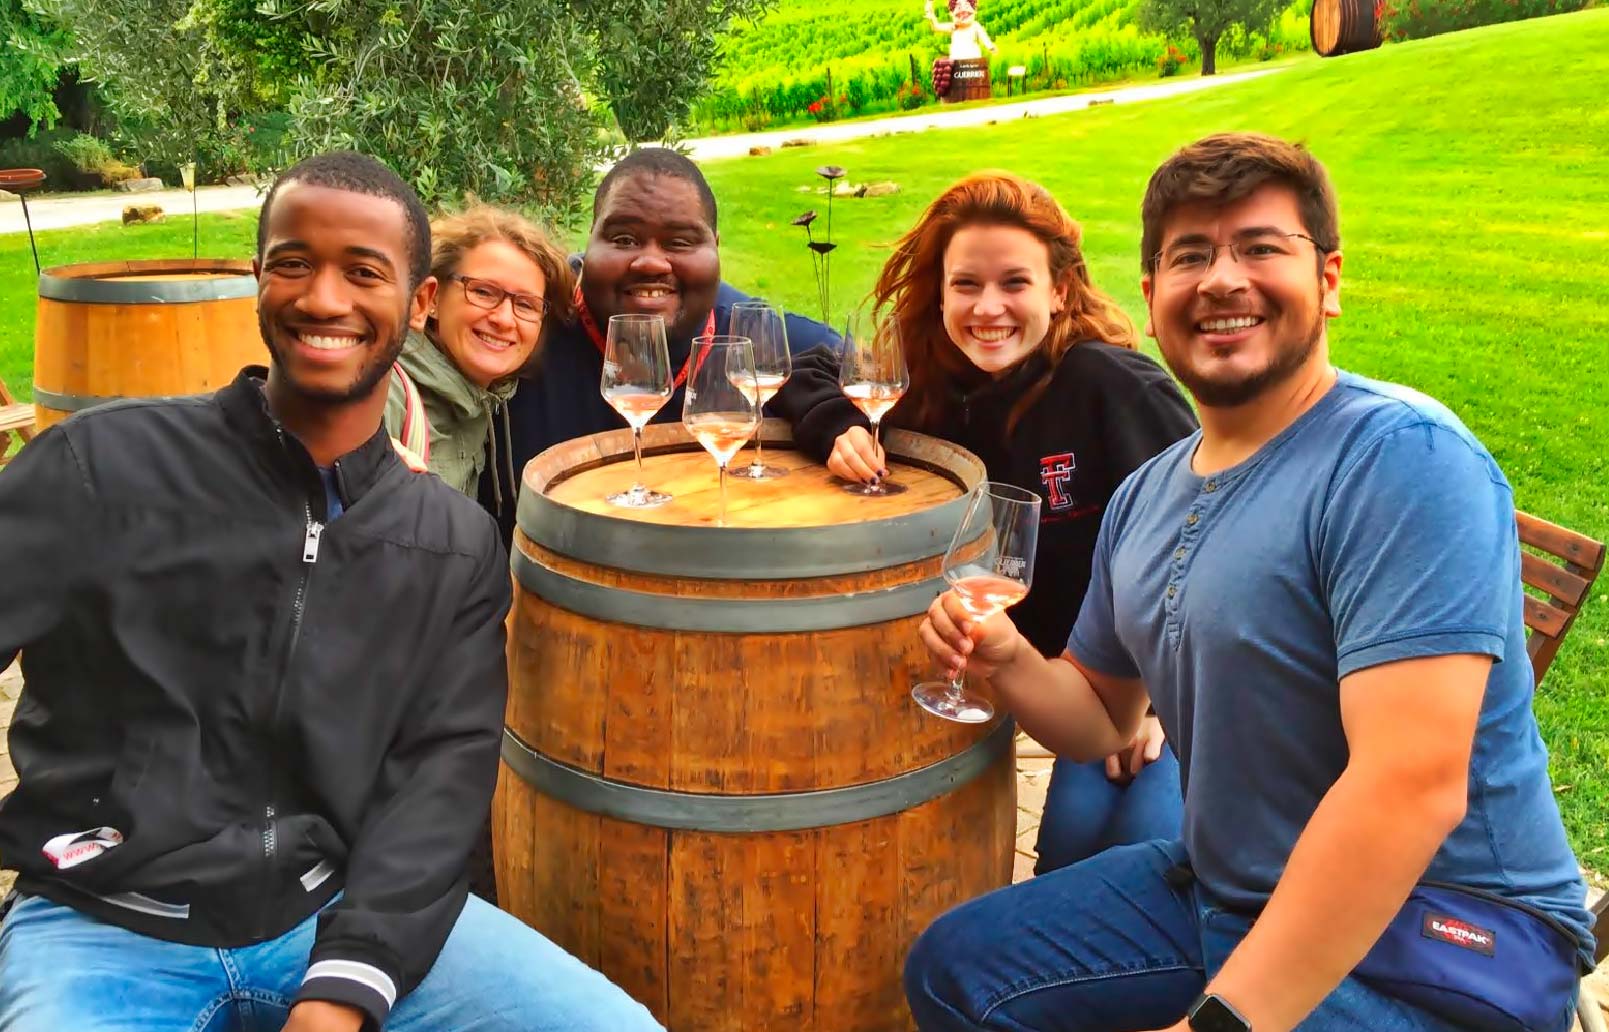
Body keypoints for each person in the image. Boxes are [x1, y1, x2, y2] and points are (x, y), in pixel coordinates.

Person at [904, 132, 1593, 1032]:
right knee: (955, 970)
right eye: (1190, 255)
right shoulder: (1145, 497)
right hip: (1224, 892)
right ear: (1151, 295)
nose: (1222, 279)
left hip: (1439, 932)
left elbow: (1409, 785)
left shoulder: (1400, 460)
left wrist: (1219, 1024)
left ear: (1328, 280)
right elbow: (1101, 719)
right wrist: (1005, 658)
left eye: (1260, 247)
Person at [0, 151, 662, 1032]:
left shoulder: (451, 544)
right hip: (101, 928)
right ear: (257, 277)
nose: (323, 299)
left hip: (335, 911)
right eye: (293, 264)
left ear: (417, 302)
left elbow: (440, 773)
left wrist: (349, 983)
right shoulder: (100, 467)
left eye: (363, 272)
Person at [774, 171, 1197, 872]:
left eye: (1014, 283)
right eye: (966, 284)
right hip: (1046, 688)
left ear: (1059, 290)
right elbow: (802, 371)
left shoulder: (1114, 388)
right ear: (940, 293)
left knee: (1138, 852)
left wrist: (1153, 703)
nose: (987, 307)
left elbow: (1201, 544)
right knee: (1067, 860)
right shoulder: (929, 384)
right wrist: (834, 424)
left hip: (1160, 690)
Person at [497, 147, 838, 539]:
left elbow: (866, 374)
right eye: (623, 239)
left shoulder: (757, 338)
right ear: (588, 242)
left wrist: (824, 406)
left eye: (679, 242)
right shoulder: (525, 329)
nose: (651, 263)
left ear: (716, 247)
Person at [385, 206, 573, 527]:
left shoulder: (484, 398)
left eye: (526, 304)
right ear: (431, 299)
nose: (504, 319)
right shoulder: (386, 396)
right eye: (483, 292)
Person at [925, 0, 997, 60]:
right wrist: (930, 11)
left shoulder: (975, 25)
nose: (963, 11)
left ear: (974, 9)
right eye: (958, 7)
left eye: (966, 6)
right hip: (957, 61)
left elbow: (984, 37)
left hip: (973, 60)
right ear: (952, 13)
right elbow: (936, 27)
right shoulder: (953, 27)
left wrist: (990, 47)